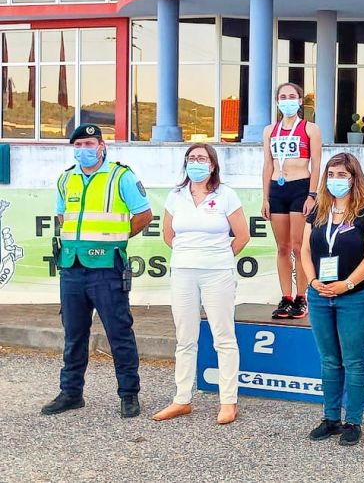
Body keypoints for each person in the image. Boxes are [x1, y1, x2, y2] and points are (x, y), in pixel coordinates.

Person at [42, 124, 153, 418]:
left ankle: (129, 394)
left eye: (88, 143)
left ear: (101, 145)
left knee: (119, 333)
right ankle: (71, 393)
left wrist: (117, 239)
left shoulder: (121, 176)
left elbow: (144, 214)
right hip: (72, 267)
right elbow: (61, 215)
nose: (83, 150)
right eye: (77, 145)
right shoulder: (67, 179)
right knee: (74, 334)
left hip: (107, 266)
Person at [153, 143, 250, 425]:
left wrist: (217, 256)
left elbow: (242, 236)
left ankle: (228, 401)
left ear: (212, 165)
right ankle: (182, 399)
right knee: (185, 337)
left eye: (202, 158)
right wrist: (189, 255)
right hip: (183, 271)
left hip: (217, 272)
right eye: (191, 158)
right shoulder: (176, 196)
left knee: (224, 337)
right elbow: (168, 235)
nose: (196, 162)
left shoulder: (226, 195)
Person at [300, 152, 364, 446]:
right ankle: (330, 418)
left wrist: (347, 284)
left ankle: (354, 421)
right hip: (320, 295)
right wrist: (313, 282)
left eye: (343, 175)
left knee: (353, 360)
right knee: (329, 360)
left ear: (354, 178)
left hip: (357, 296)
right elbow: (304, 251)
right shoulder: (318, 211)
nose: (337, 180)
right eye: (332, 175)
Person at [262, 82, 322, 320]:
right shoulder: (270, 130)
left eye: (292, 96)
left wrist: (312, 194)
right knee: (283, 247)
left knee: (299, 246)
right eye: (282, 97)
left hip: (300, 186)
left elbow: (316, 163)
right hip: (277, 189)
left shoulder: (310, 128)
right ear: (277, 102)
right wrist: (265, 197)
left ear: (299, 101)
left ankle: (302, 296)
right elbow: (267, 164)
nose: (287, 100)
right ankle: (286, 297)